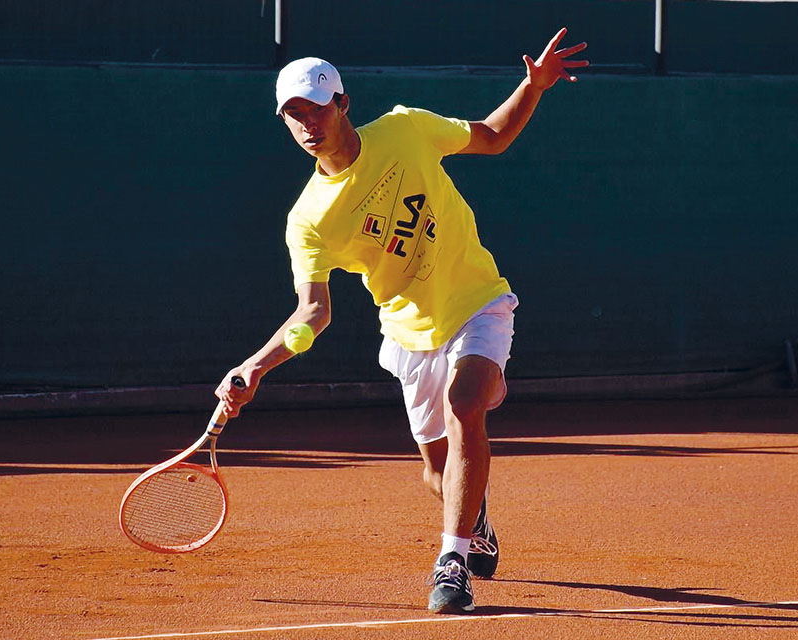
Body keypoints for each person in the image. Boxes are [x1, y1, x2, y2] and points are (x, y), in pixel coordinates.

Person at [215, 29, 588, 614]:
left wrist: (533, 86)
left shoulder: (405, 129)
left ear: (343, 104)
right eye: (293, 115)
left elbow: (490, 138)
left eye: (317, 108)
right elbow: (313, 313)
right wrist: (255, 365)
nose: (307, 123)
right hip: (410, 332)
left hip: (476, 299)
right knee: (438, 476)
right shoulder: (308, 220)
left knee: (467, 404)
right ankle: (474, 521)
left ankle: (452, 562)